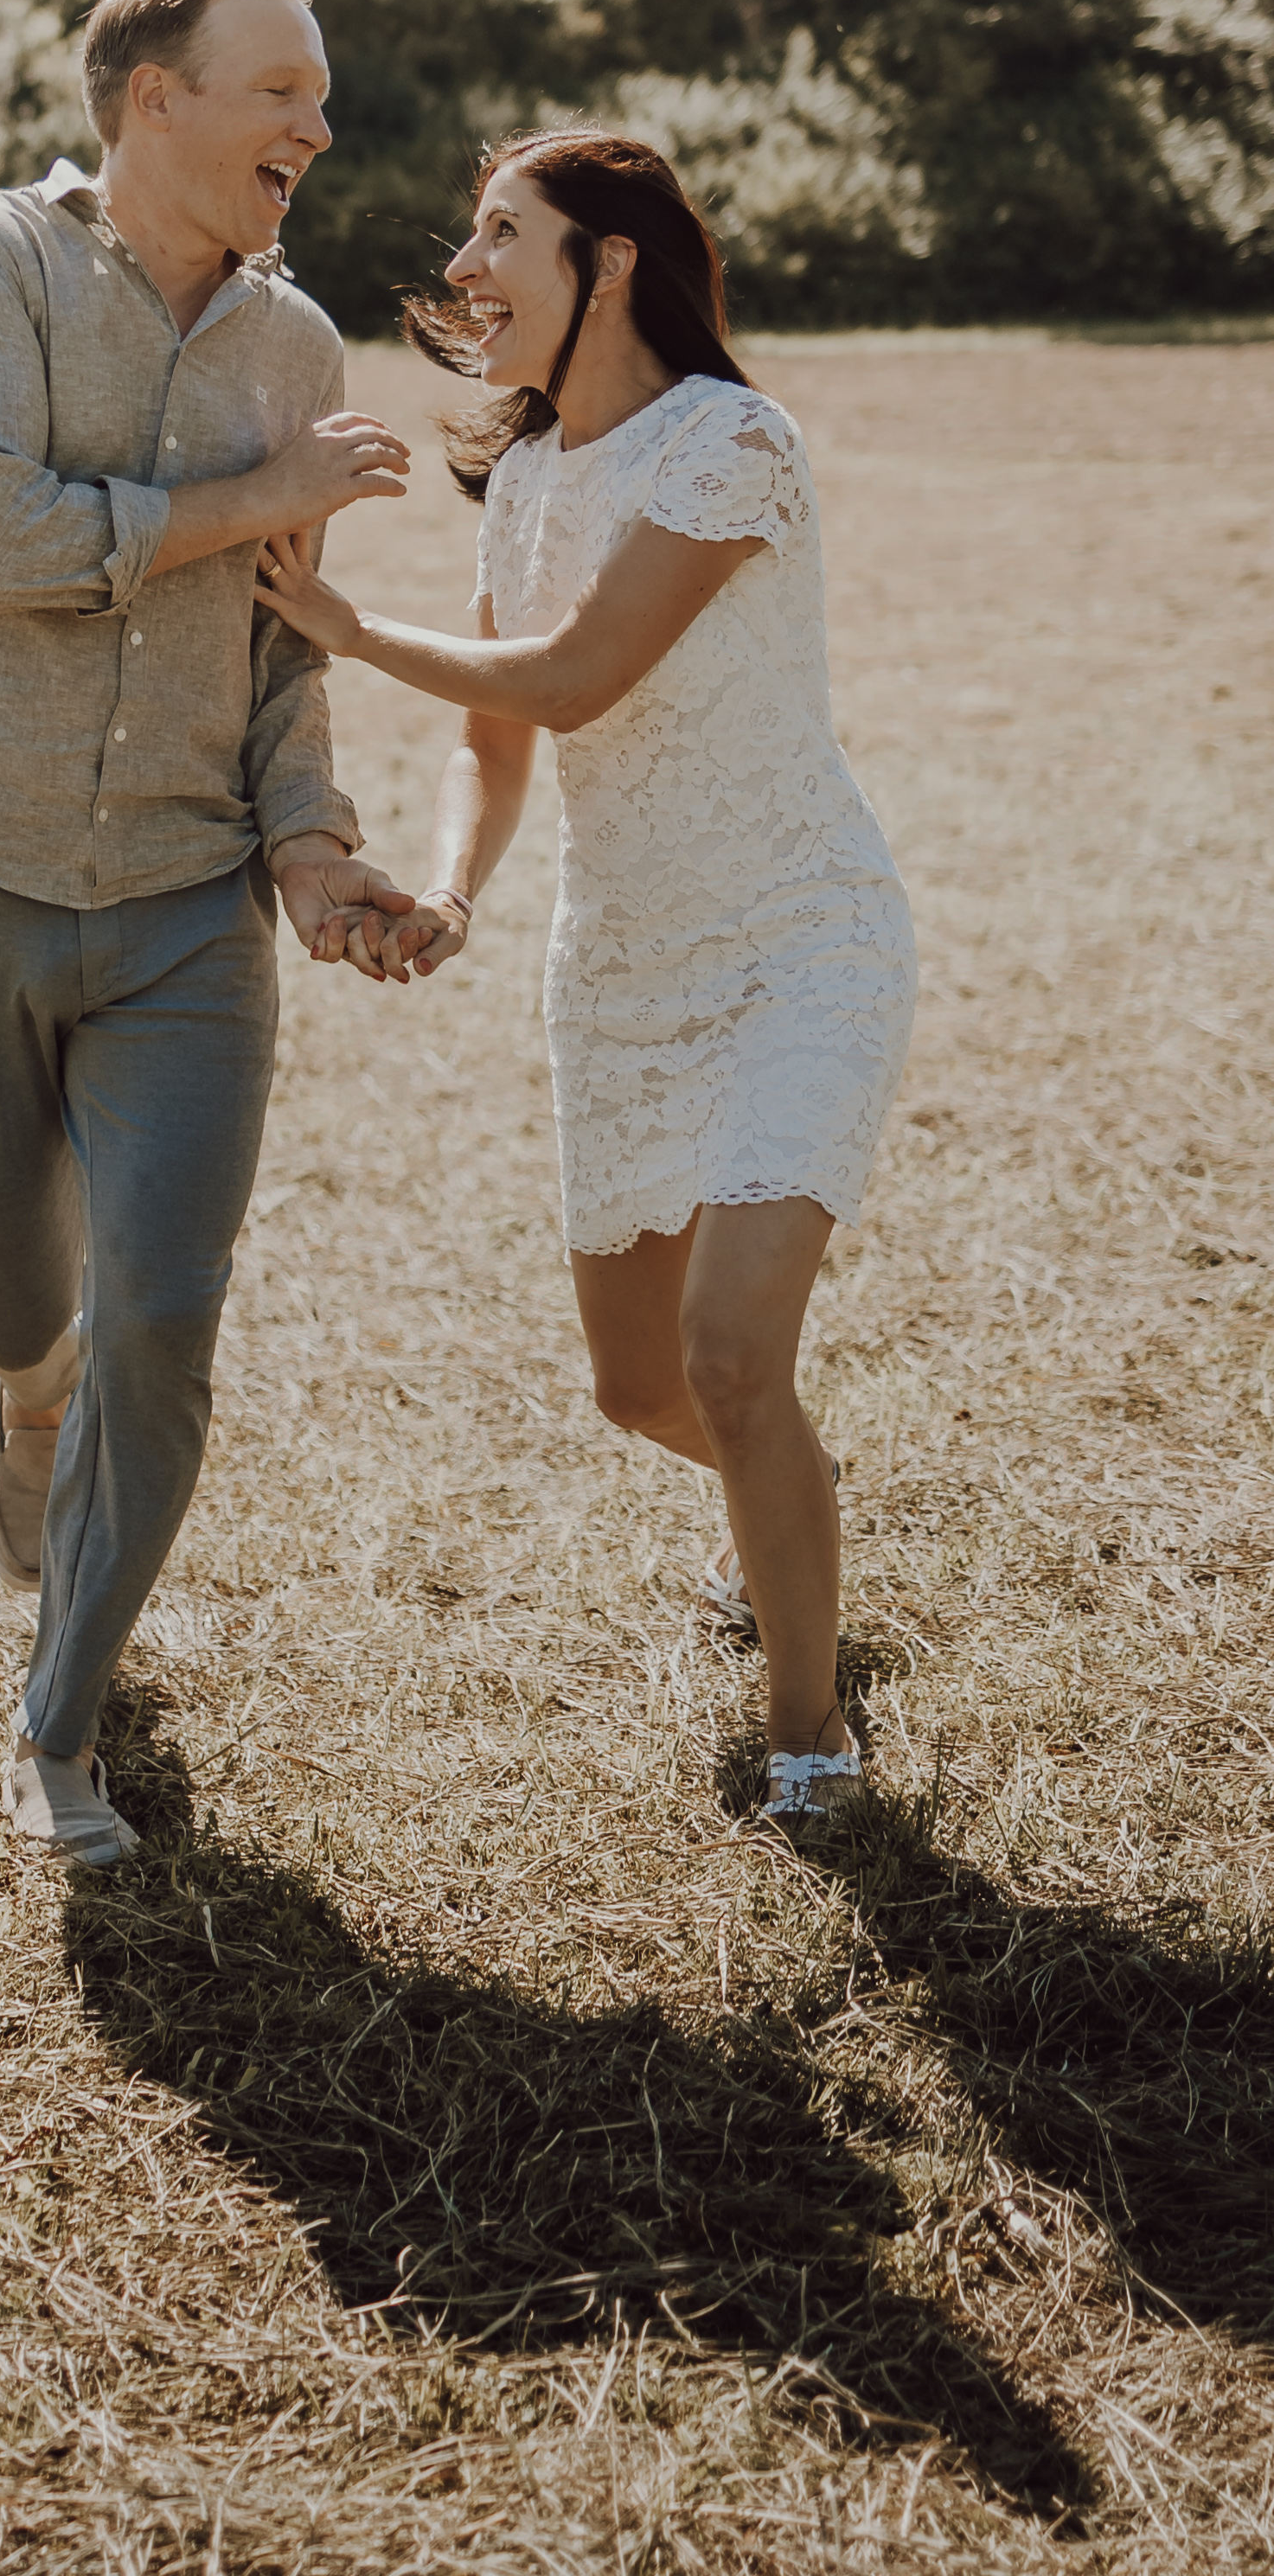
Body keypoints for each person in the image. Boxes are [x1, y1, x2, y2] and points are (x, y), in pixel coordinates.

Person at [0, 0, 436, 1870]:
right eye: (278, 92)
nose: (314, 133)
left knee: (162, 1316)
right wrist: (257, 483)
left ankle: (58, 1722)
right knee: (28, 1306)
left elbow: (277, 642)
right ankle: (23, 1384)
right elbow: (4, 545)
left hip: (185, 904)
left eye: (320, 99)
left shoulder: (301, 348)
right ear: (146, 100)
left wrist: (312, 845)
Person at [256, 128, 918, 1835]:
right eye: (469, 231)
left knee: (729, 1355)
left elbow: (568, 673)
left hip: (797, 938)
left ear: (605, 259)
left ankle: (809, 1740)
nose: (465, 263)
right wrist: (453, 890)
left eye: (501, 231)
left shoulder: (727, 442)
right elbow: (496, 742)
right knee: (637, 1389)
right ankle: (798, 1532)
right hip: (616, 963)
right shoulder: (533, 475)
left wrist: (341, 625)